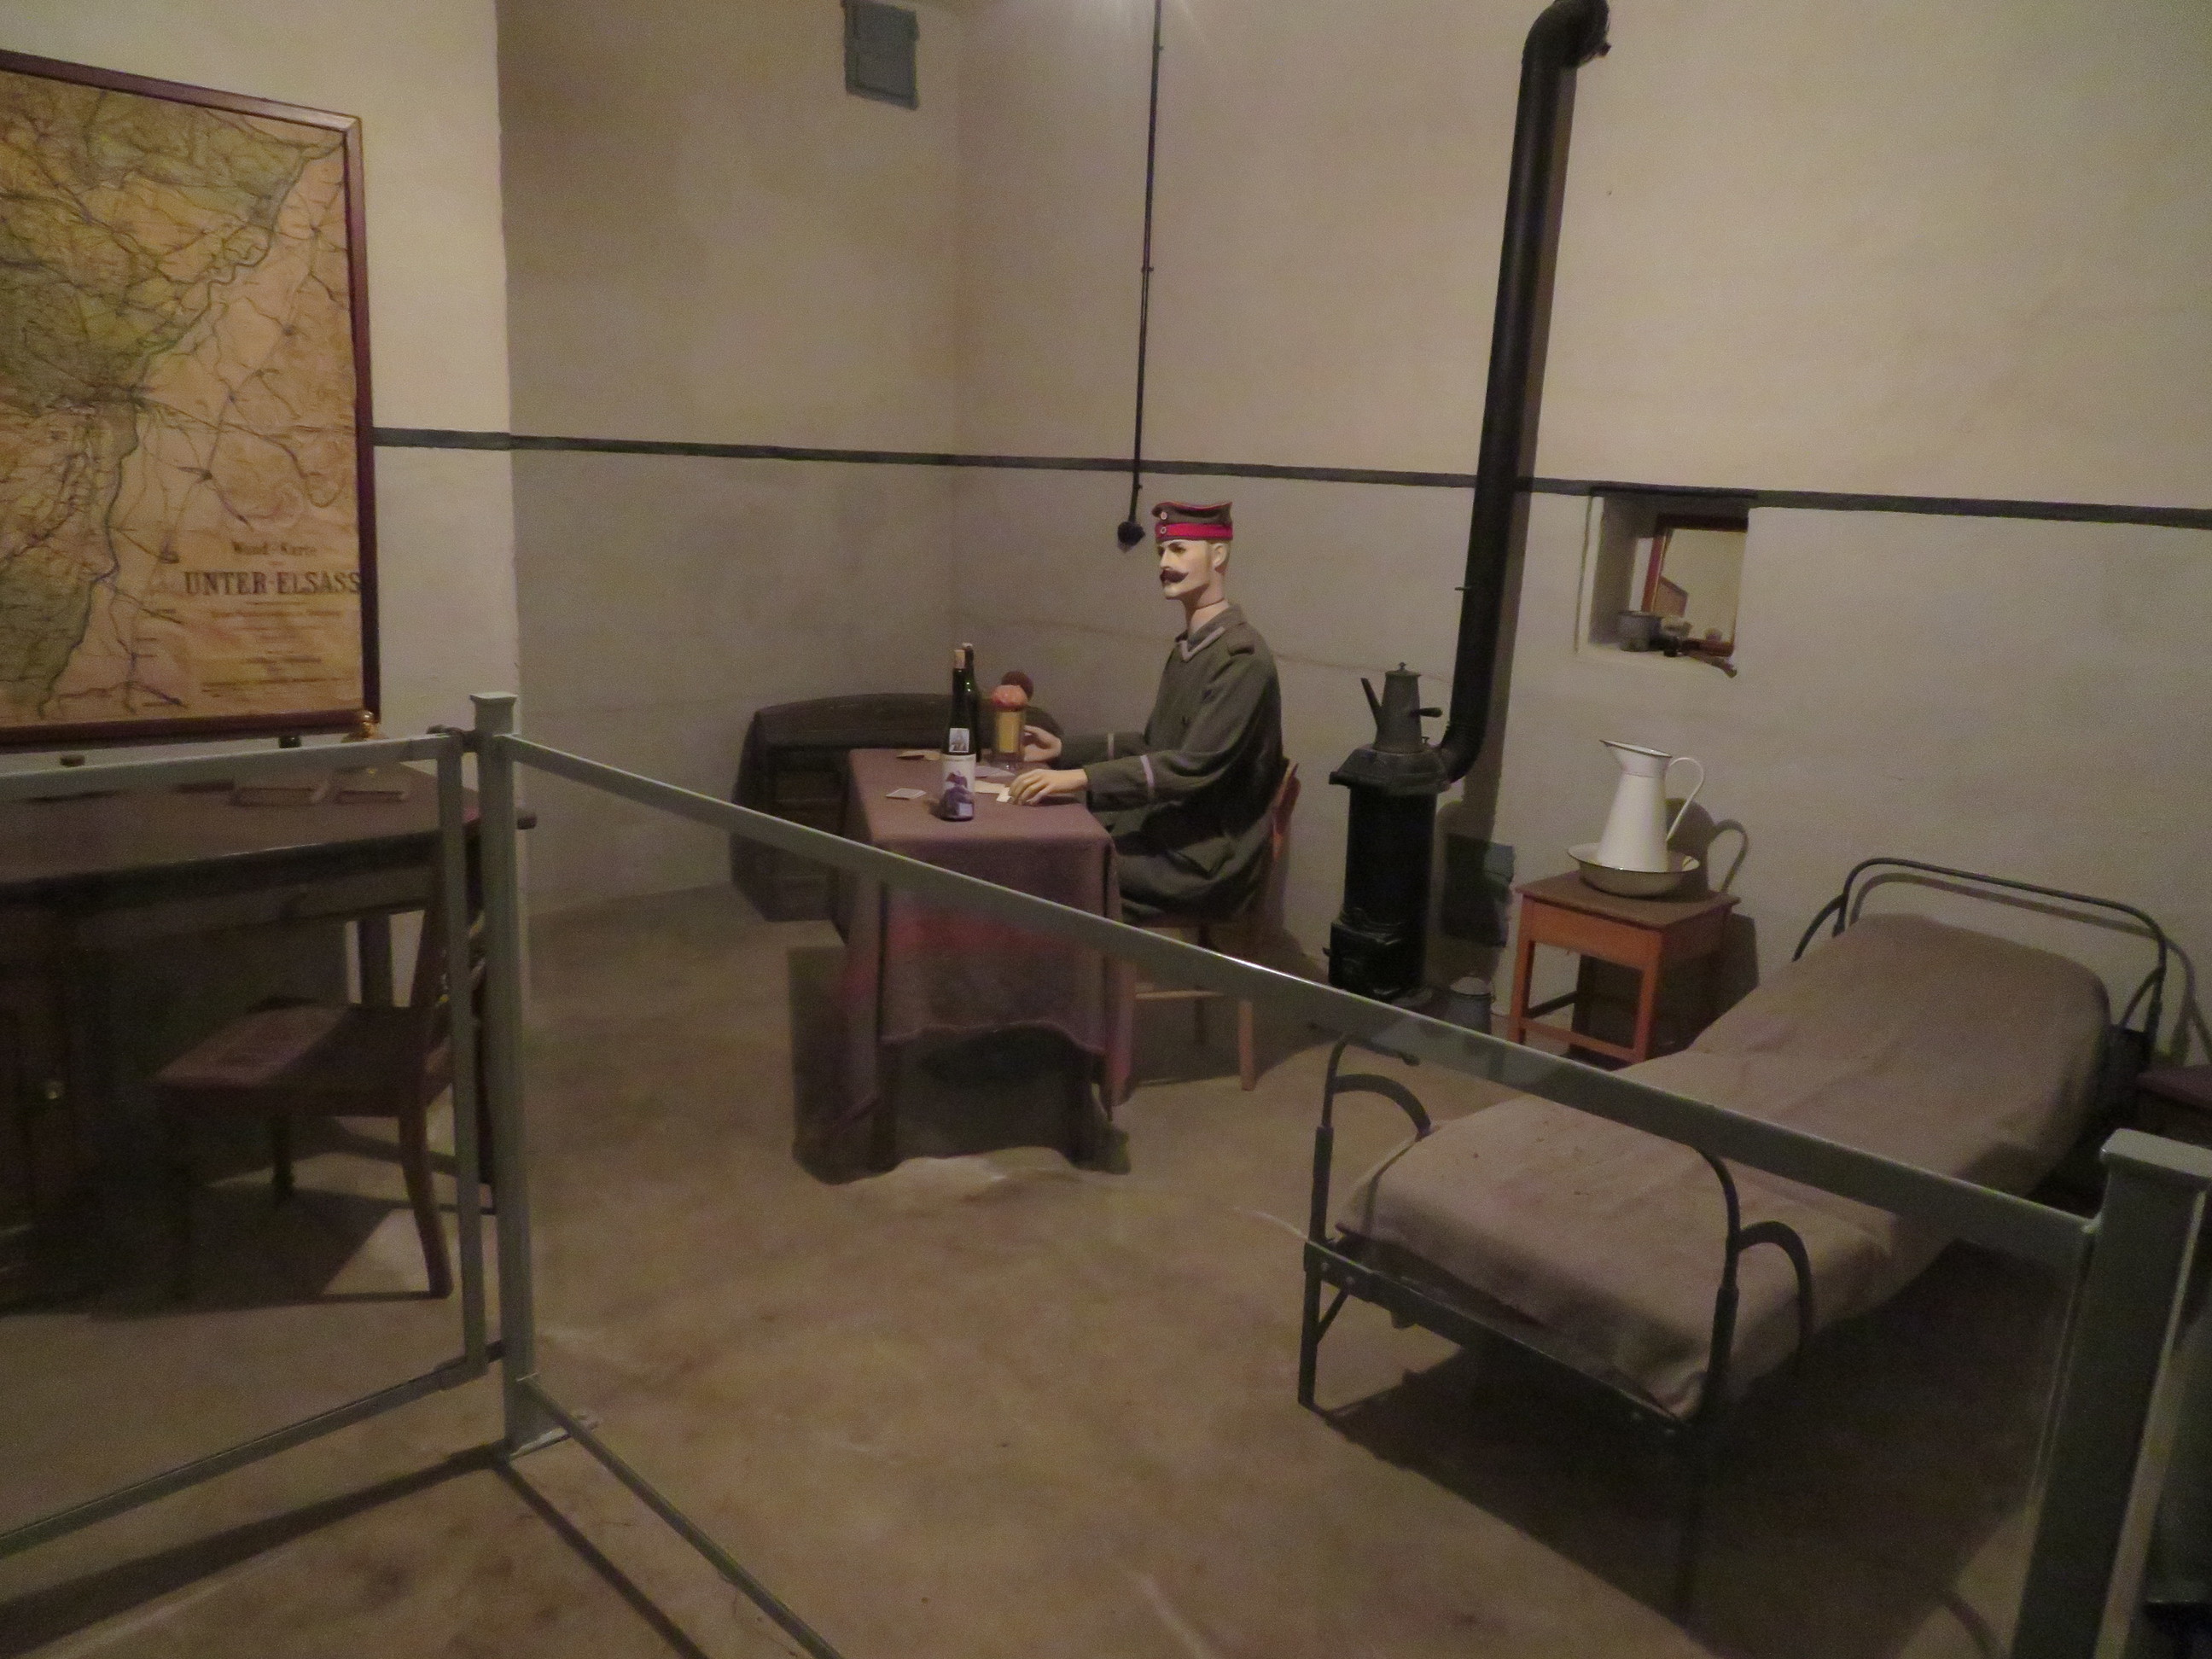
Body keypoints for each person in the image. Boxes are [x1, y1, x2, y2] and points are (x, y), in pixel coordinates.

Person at [1009, 501, 1285, 923]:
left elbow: (1192, 766)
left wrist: (1081, 778)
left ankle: (1079, 966)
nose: (1165, 564)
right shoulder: (1193, 648)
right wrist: (1063, 751)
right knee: (1048, 840)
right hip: (1171, 830)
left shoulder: (1241, 661)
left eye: (1179, 549)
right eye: (1161, 552)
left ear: (1218, 555)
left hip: (1202, 859)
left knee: (1056, 862)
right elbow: (1153, 745)